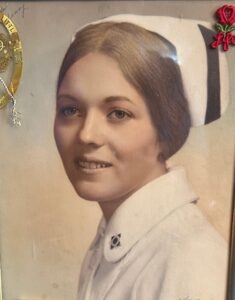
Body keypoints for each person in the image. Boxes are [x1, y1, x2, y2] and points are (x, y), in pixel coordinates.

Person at [54, 15, 228, 300]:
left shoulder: (191, 264)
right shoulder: (107, 246)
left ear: (165, 129)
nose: (86, 135)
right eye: (70, 110)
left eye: (118, 114)